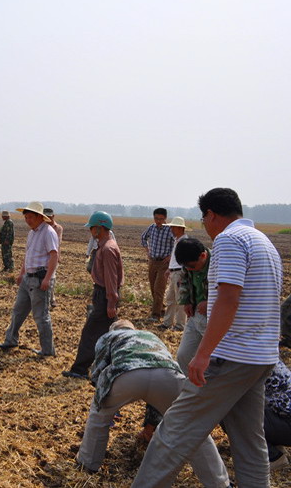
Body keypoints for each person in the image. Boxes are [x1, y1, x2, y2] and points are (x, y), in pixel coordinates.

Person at [133, 188, 283, 487]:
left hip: (232, 355)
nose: (205, 226)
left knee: (174, 430)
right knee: (250, 440)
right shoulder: (263, 242)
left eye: (204, 219)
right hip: (261, 357)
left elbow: (228, 298)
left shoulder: (229, 239)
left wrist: (203, 353)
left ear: (211, 215)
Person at [76, 320, 230, 486]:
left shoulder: (108, 337)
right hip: (168, 375)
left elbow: (98, 370)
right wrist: (150, 424)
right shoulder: (150, 336)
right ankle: (219, 482)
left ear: (113, 330)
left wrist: (104, 397)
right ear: (134, 329)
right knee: (191, 426)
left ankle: (88, 463)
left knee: (99, 414)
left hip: (126, 373)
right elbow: (157, 375)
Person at [63, 212, 123, 379]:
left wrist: (111, 302)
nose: (90, 231)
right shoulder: (103, 246)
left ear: (99, 228)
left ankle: (80, 369)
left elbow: (111, 278)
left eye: (92, 228)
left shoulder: (108, 249)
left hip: (104, 295)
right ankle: (109, 368)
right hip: (103, 294)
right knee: (107, 334)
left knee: (90, 333)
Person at [0, 201, 59, 356]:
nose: (27, 220)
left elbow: (54, 256)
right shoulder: (32, 233)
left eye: (30, 217)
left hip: (39, 279)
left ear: (39, 217)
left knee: (41, 316)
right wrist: (21, 273)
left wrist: (47, 279)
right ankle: (11, 340)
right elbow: (28, 255)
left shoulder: (48, 232)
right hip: (27, 278)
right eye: (26, 218)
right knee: (18, 311)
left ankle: (47, 350)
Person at [173, 237, 211, 374]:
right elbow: (183, 280)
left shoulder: (218, 264)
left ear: (203, 256)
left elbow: (228, 293)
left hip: (212, 320)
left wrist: (210, 303)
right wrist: (187, 301)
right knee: (183, 356)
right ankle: (187, 383)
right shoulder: (188, 264)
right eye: (186, 266)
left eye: (192, 267)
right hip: (195, 316)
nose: (189, 269)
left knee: (212, 361)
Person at [141, 208, 174, 320]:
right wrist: (147, 250)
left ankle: (156, 315)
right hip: (153, 261)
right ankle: (161, 308)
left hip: (164, 263)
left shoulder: (170, 230)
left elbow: (177, 243)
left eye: (161, 219)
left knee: (159, 289)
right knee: (153, 288)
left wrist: (170, 256)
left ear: (165, 218)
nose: (158, 221)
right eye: (156, 218)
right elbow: (143, 237)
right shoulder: (152, 227)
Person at [160, 216, 189, 331]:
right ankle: (167, 323)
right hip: (174, 272)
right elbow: (175, 258)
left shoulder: (184, 242)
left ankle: (180, 325)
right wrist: (169, 269)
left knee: (180, 300)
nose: (171, 229)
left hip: (179, 273)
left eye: (173, 227)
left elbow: (185, 261)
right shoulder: (177, 240)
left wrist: (183, 274)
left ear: (180, 228)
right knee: (170, 299)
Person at [264, 359, 291, 470]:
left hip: (287, 423)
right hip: (284, 419)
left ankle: (272, 456)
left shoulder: (246, 360)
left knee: (231, 412)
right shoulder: (266, 355)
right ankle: (275, 447)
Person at [43, 207, 63, 307]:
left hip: (53, 257)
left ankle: (51, 299)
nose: (47, 219)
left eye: (49, 217)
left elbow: (57, 243)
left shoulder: (58, 228)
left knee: (51, 279)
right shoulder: (40, 227)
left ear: (53, 216)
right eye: (45, 217)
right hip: (42, 257)